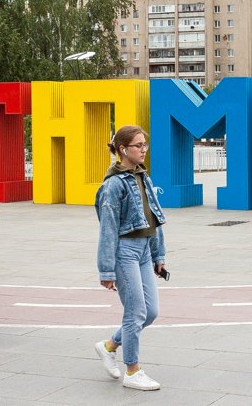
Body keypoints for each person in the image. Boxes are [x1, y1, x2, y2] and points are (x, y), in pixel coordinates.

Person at [94, 125, 167, 391]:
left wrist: (159, 255)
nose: (144, 149)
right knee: (135, 312)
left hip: (145, 251)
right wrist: (106, 271)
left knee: (151, 312)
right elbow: (108, 229)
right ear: (123, 149)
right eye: (138, 145)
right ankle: (133, 371)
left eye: (145, 144)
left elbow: (154, 218)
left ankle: (109, 345)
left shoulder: (143, 176)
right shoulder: (113, 185)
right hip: (124, 252)